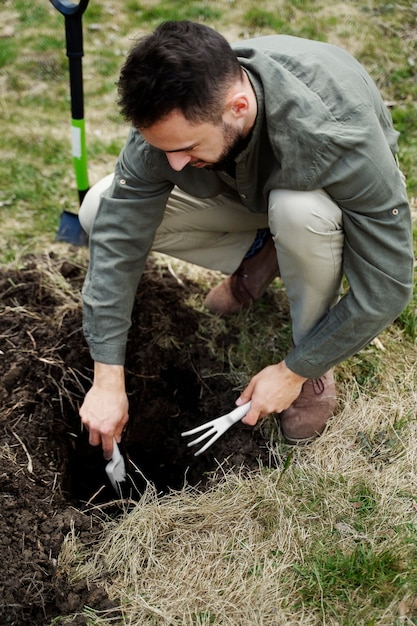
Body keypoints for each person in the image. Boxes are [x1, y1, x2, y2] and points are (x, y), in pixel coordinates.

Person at [78, 20, 413, 460]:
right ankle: (264, 249)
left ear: (238, 106)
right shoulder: (174, 119)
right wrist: (107, 377)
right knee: (98, 208)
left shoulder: (336, 135)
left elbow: (388, 286)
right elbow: (119, 236)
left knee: (298, 211)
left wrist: (295, 370)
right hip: (243, 192)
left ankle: (311, 357)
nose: (173, 164)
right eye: (164, 148)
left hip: (318, 194)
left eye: (186, 147)